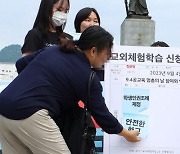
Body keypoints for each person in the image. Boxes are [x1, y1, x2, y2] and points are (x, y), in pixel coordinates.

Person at [0, 26, 141, 154]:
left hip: (3, 107)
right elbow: (102, 115)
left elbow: (20, 64)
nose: (107, 60)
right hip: (30, 114)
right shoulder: (87, 77)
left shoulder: (52, 50)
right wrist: (126, 134)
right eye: (107, 55)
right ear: (93, 51)